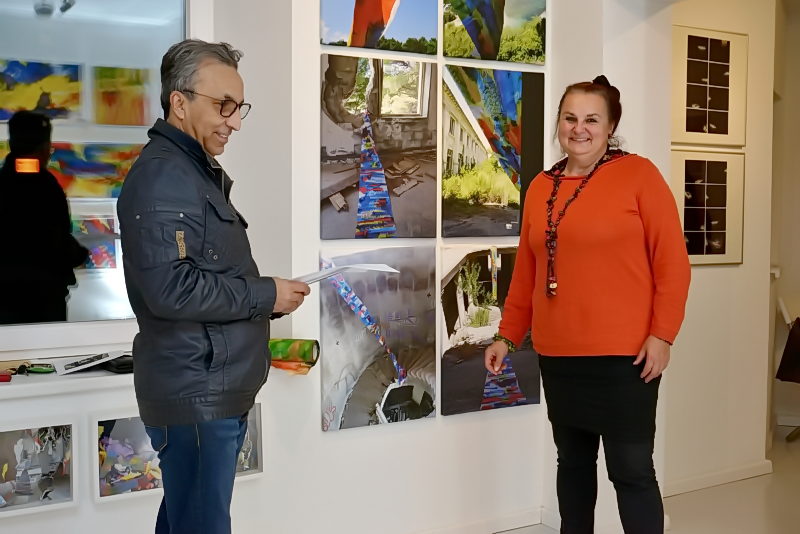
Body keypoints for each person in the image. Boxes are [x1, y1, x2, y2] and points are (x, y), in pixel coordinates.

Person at [117, 39, 310, 534]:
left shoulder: (188, 171)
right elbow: (171, 289)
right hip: (196, 393)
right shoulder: (164, 176)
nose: (235, 121)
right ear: (179, 103)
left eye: (239, 107)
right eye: (224, 105)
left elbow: (203, 275)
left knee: (187, 521)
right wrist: (265, 294)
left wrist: (269, 299)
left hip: (206, 391)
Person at [485, 76, 691, 534]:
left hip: (627, 357)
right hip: (559, 355)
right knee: (573, 467)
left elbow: (673, 263)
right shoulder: (540, 186)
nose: (579, 129)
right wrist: (507, 335)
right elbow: (527, 274)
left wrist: (663, 334)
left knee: (631, 471)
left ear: (611, 126)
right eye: (570, 118)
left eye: (592, 120)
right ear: (559, 123)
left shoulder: (639, 175)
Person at [0, 111, 88, 325]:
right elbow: (55, 239)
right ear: (43, 147)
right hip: (45, 297)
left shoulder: (3, 182)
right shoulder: (47, 187)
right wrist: (80, 254)